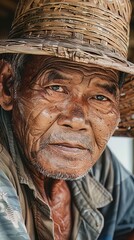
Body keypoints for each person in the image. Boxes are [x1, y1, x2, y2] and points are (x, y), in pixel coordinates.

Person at [0, 0, 134, 239]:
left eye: (100, 97)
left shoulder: (97, 165)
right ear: (8, 86)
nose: (77, 119)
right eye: (57, 88)